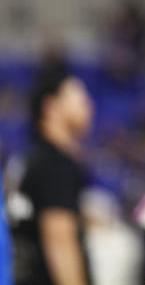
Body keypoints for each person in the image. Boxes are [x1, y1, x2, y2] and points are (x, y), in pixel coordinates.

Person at [8, 66, 94, 285]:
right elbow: (60, 245)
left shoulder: (32, 157)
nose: (89, 106)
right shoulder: (55, 163)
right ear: (51, 106)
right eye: (79, 98)